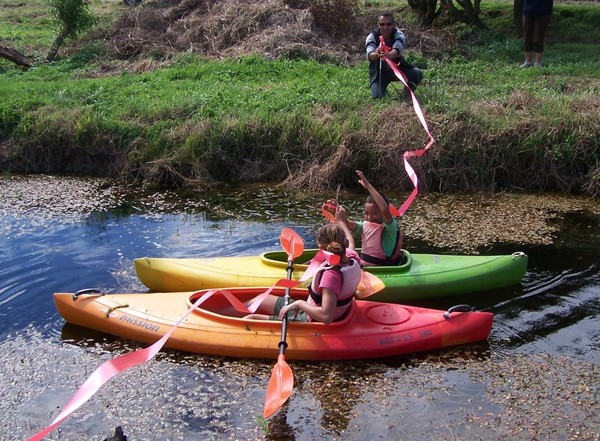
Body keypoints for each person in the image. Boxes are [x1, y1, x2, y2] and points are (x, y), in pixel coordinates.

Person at [243, 221, 361, 324]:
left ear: (320, 248)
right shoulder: (352, 256)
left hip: (312, 318)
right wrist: (342, 222)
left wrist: (299, 304)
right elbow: (350, 243)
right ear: (344, 243)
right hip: (321, 310)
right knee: (260, 300)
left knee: (250, 318)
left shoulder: (331, 276)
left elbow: (326, 317)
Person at [333, 170, 403, 266]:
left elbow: (385, 209)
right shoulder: (364, 225)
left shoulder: (391, 229)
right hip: (364, 267)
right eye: (366, 213)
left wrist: (369, 187)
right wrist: (337, 212)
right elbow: (348, 224)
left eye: (374, 213)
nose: (369, 217)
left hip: (383, 269)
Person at [365, 12, 423, 99]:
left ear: (393, 24)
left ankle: (407, 93)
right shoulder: (372, 36)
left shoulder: (398, 34)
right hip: (379, 72)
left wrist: (389, 55)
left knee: (417, 73)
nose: (385, 27)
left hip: (398, 68)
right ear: (378, 24)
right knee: (377, 97)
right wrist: (377, 54)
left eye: (388, 24)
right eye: (382, 24)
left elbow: (397, 48)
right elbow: (370, 55)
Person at [521, 0, 553, 68]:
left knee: (539, 36)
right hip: (527, 9)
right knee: (527, 35)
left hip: (543, 9)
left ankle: (538, 62)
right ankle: (527, 61)